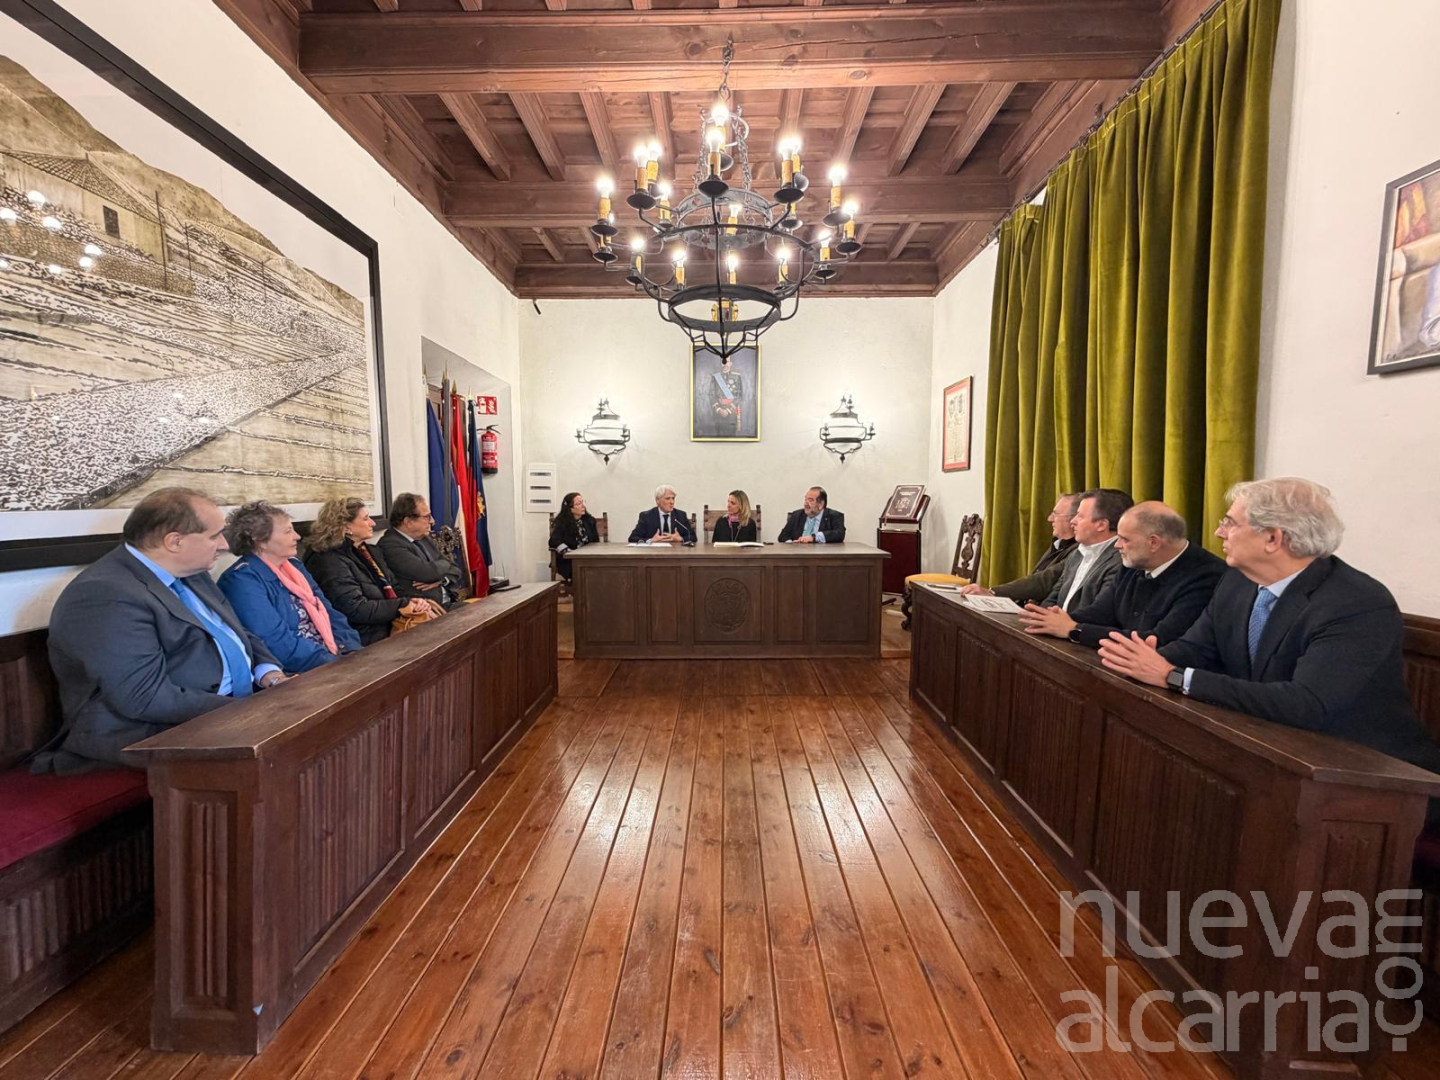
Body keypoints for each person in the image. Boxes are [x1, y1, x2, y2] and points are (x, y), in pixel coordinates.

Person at [1097, 478, 1440, 818]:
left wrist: (1173, 676)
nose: (1219, 532)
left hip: (1369, 778)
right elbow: (1196, 648)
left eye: (1230, 523)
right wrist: (1142, 660)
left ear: (1273, 538)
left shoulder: (1356, 602)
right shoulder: (1236, 581)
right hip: (1272, 748)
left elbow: (1306, 703)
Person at [42, 488, 285, 774]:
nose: (224, 545)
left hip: (227, 708)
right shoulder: (104, 593)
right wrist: (247, 711)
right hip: (152, 732)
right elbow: (145, 697)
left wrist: (269, 672)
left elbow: (233, 632)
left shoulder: (192, 571)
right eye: (214, 536)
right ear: (174, 541)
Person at [1017, 501, 1225, 648]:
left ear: (1153, 542)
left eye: (1124, 539)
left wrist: (1074, 629)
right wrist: (1055, 620)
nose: (1117, 545)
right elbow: (1100, 613)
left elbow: (1158, 640)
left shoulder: (1206, 577)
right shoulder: (1133, 563)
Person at [218, 501, 362, 674]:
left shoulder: (295, 567)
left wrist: (350, 649)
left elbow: (329, 611)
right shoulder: (241, 580)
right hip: (298, 673)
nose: (297, 536)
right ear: (260, 540)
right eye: (288, 531)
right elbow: (277, 644)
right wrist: (336, 663)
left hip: (331, 658)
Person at [304, 497, 439, 646]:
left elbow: (395, 587)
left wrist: (414, 601)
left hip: (391, 625)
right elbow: (356, 609)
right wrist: (403, 604)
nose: (373, 523)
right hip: (364, 638)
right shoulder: (327, 560)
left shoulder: (370, 551)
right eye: (366, 519)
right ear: (346, 526)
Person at [962, 493, 1081, 602]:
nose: (1050, 518)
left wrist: (993, 592)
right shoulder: (1058, 543)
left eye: (1055, 514)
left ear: (1073, 518)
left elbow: (1044, 581)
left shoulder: (1079, 551)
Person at [1036, 488, 1131, 612]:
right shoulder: (1076, 554)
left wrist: (1061, 621)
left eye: (1080, 516)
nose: (1072, 521)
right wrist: (1042, 616)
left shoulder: (1121, 560)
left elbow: (1100, 611)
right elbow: (1053, 597)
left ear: (1101, 525)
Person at [377, 493, 466, 608]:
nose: (432, 521)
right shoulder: (390, 545)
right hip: (427, 610)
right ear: (408, 522)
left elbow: (456, 569)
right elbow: (429, 573)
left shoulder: (424, 538)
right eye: (426, 517)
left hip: (448, 602)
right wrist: (445, 563)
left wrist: (442, 580)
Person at [549, 491, 600, 581]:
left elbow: (595, 541)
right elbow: (553, 541)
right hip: (570, 560)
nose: (583, 506)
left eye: (583, 502)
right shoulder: (562, 522)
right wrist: (568, 552)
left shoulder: (590, 520)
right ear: (570, 508)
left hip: (588, 557)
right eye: (578, 504)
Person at [628, 484, 695, 544]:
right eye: (667, 498)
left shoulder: (681, 515)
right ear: (657, 500)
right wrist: (651, 540)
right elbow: (632, 538)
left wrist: (680, 539)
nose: (672, 502)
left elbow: (693, 537)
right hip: (654, 553)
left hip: (675, 552)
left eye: (673, 498)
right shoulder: (646, 516)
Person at [778, 487, 845, 544]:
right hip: (799, 553)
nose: (806, 504)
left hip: (821, 554)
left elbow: (840, 534)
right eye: (805, 499)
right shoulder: (796, 515)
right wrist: (792, 544)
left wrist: (814, 538)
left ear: (821, 504)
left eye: (810, 500)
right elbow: (782, 536)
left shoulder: (834, 516)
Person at [704, 354, 747, 438]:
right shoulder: (715, 377)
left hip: (732, 414)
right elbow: (711, 395)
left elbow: (739, 395)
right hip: (718, 415)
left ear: (730, 363)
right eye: (723, 362)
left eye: (727, 362)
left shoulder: (737, 377)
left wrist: (728, 410)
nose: (725, 365)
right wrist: (719, 409)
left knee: (731, 439)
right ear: (720, 364)